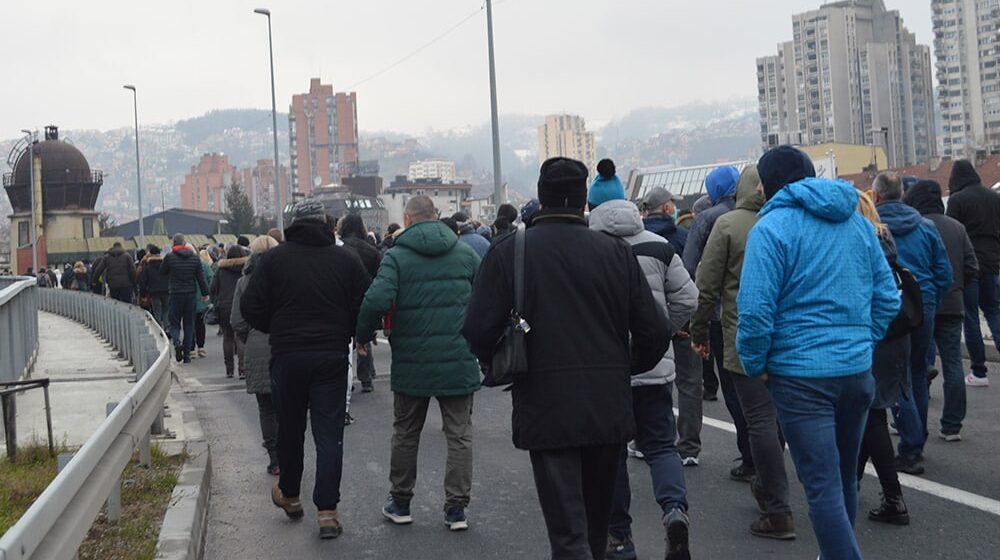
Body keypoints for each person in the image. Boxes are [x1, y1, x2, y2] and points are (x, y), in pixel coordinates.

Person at [462, 158, 677, 560]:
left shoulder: (511, 252)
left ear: (541, 197)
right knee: (597, 529)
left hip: (546, 403)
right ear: (584, 201)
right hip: (607, 404)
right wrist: (623, 367)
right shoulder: (614, 253)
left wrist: (503, 361)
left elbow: (476, 328)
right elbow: (654, 331)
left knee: (567, 535)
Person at [737, 146, 899, 560]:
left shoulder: (771, 229)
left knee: (821, 486)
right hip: (856, 370)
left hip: (800, 375)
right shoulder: (858, 224)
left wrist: (756, 365)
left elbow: (754, 312)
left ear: (769, 185)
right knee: (844, 479)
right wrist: (862, 341)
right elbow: (887, 298)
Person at [241, 200, 371, 540]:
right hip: (330, 354)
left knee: (291, 429)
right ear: (326, 224)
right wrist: (351, 330)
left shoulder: (274, 260)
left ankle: (291, 494)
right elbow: (364, 302)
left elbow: (250, 306)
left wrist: (278, 327)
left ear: (293, 225)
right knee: (329, 434)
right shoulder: (346, 259)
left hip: (288, 355)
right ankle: (327, 511)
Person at [354, 196, 480, 532]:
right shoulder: (465, 254)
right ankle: (456, 509)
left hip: (412, 360)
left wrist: (363, 335)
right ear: (435, 217)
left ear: (408, 219)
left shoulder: (396, 257)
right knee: (460, 435)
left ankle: (401, 501)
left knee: (407, 432)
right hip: (458, 357)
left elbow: (376, 300)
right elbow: (486, 298)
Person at [588, 193, 698, 560]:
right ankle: (674, 511)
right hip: (653, 365)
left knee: (612, 454)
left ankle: (620, 537)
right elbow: (688, 299)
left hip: (607, 368)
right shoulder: (660, 246)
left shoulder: (590, 249)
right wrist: (663, 332)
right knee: (662, 446)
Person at [690, 165, 795, 539]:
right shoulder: (791, 222)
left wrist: (699, 331)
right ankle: (777, 487)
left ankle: (776, 504)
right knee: (781, 417)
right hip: (790, 340)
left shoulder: (729, 225)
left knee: (758, 420)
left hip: (742, 336)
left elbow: (707, 285)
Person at [872, 172, 952, 475]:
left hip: (890, 304)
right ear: (902, 194)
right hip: (924, 302)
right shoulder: (926, 226)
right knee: (918, 371)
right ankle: (917, 437)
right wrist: (929, 297)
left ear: (877, 195)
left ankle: (911, 443)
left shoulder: (872, 228)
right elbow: (943, 272)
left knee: (896, 376)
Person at [685, 166, 753, 480]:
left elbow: (694, 272)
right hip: (765, 314)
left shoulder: (710, 220)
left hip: (722, 317)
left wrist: (695, 325)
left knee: (736, 390)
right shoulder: (764, 214)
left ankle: (750, 453)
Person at [905, 180, 978, 441]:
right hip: (952, 304)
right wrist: (957, 288)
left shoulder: (917, 227)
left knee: (917, 366)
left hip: (922, 306)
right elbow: (971, 266)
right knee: (953, 364)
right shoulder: (957, 227)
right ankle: (952, 425)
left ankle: (914, 424)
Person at [855, 191, 912, 525]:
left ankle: (894, 498)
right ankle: (852, 479)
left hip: (875, 334)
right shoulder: (885, 239)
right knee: (869, 412)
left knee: (872, 414)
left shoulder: (860, 243)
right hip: (897, 335)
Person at [644, 192, 703, 468]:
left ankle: (646, 439)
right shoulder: (682, 237)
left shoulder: (638, 240)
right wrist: (677, 322)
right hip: (683, 320)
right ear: (667, 207)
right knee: (689, 383)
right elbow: (692, 279)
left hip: (644, 325)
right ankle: (688, 446)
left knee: (648, 382)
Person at [945, 160, 1000, 387]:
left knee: (970, 317)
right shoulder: (994, 198)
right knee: (994, 312)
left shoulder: (957, 200)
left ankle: (979, 371)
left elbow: (952, 234)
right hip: (992, 264)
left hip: (968, 267)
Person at [230, 235, 281, 475]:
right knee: (288, 404)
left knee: (266, 407)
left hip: (257, 344)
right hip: (285, 344)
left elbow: (236, 320)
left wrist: (249, 335)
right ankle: (289, 452)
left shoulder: (244, 282)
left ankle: (274, 458)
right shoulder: (285, 276)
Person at [339, 214, 382, 393]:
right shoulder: (371, 250)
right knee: (363, 338)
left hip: (342, 298)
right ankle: (366, 377)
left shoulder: (339, 248)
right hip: (365, 298)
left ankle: (345, 379)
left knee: (343, 342)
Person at [160, 235, 210, 364]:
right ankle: (187, 354)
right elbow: (201, 278)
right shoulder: (194, 258)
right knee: (189, 324)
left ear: (173, 244)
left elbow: (162, 272)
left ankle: (177, 343)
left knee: (174, 323)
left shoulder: (170, 257)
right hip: (190, 294)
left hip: (175, 293)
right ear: (185, 243)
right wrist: (205, 293)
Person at [211, 246, 248, 378]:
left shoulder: (221, 269)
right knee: (240, 336)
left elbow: (213, 287)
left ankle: (229, 369)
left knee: (228, 337)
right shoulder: (246, 268)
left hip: (224, 306)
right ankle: (243, 369)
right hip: (242, 304)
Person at [641, 187, 687, 256]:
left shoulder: (638, 235)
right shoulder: (682, 236)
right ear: (666, 208)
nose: (674, 206)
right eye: (673, 202)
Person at [138, 246, 170, 328]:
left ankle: (159, 329)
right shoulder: (166, 264)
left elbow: (143, 281)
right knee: (166, 310)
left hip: (154, 292)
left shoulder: (147, 266)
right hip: (166, 290)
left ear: (150, 254)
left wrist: (143, 294)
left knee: (157, 311)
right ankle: (167, 327)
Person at [192, 250, 214, 358]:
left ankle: (190, 349)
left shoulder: (180, 266)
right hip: (202, 299)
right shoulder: (204, 266)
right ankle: (200, 347)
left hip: (187, 300)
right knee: (200, 324)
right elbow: (211, 279)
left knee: (188, 324)